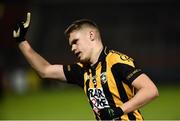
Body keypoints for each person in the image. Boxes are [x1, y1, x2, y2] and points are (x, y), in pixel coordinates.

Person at [13, 12, 159, 120]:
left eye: (75, 41)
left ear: (91, 35)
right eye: (71, 45)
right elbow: (45, 70)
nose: (72, 48)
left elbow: (150, 90)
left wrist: (118, 111)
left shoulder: (116, 61)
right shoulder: (82, 71)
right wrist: (21, 41)